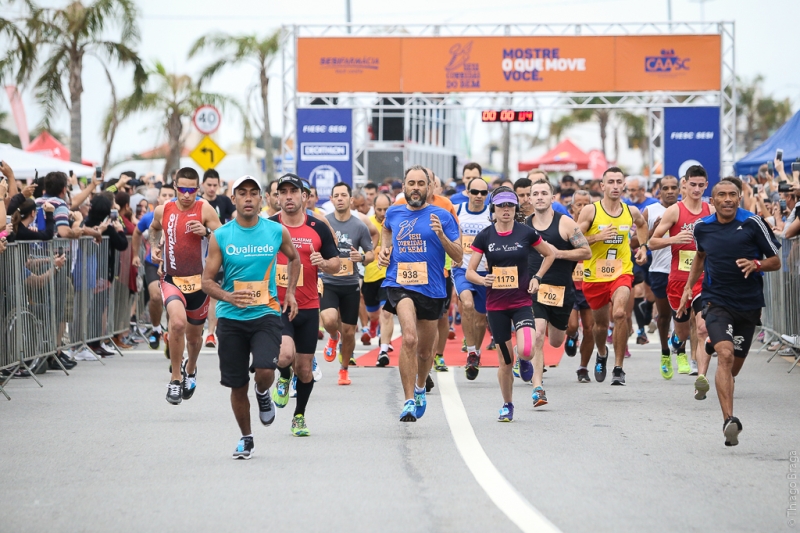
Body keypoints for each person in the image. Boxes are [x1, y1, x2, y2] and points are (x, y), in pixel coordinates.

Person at [202, 176, 300, 459]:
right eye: (242, 193)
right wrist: (228, 296)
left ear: (261, 199)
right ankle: (246, 437)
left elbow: (294, 259)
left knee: (265, 370)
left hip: (265, 313)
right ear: (233, 199)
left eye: (253, 193)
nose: (247, 198)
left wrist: (290, 293)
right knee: (236, 384)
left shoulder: (276, 231)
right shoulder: (220, 236)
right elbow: (207, 281)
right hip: (231, 318)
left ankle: (263, 392)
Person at [679, 177, 780, 446]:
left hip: (748, 305)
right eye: (721, 195)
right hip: (716, 301)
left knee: (733, 368)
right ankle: (729, 421)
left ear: (739, 198)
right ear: (712, 202)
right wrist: (689, 288)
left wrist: (757, 264)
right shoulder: (703, 228)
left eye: (732, 195)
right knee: (725, 356)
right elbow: (700, 256)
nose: (727, 199)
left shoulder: (752, 223)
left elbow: (776, 261)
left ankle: (713, 344)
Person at [379, 165, 461, 422]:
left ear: (430, 188)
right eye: (411, 183)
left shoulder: (443, 216)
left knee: (426, 352)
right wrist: (385, 249)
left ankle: (420, 386)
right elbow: (386, 229)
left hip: (433, 289)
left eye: (420, 183)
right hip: (399, 283)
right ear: (404, 186)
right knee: (410, 338)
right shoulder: (393, 212)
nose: (415, 188)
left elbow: (458, 255)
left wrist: (441, 236)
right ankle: (408, 401)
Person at [466, 187, 554, 421]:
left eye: (510, 206)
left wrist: (537, 278)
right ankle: (507, 404)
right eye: (501, 206)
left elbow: (550, 254)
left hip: (521, 302)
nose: (506, 210)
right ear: (493, 208)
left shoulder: (526, 232)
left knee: (527, 349)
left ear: (515, 209)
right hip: (496, 307)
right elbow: (469, 273)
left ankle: (524, 359)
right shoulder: (485, 236)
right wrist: (483, 279)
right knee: (505, 362)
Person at [269, 174, 340, 436]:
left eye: (293, 192)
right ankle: (283, 375)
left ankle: (299, 416)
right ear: (277, 197)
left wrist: (324, 262)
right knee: (286, 355)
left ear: (304, 196)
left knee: (305, 369)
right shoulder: (268, 226)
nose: (288, 196)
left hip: (309, 305)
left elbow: (337, 262)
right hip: (277, 304)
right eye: (283, 192)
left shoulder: (318, 227)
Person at [149, 167, 222, 405]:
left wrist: (207, 232)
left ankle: (191, 368)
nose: (187, 195)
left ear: (198, 189)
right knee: (177, 324)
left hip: (199, 283)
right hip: (171, 279)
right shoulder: (164, 209)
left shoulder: (205, 209)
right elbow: (154, 229)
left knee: (193, 339)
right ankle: (175, 378)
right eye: (182, 189)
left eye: (192, 190)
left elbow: (225, 238)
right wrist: (153, 247)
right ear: (175, 187)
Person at [577, 167, 649, 386]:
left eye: (619, 181)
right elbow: (574, 239)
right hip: (595, 276)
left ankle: (618, 368)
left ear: (624, 185)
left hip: (622, 272)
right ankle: (601, 353)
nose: (616, 186)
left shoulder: (631, 211)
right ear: (603, 186)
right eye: (611, 182)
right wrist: (597, 236)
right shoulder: (591, 211)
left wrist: (643, 247)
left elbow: (643, 225)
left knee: (619, 314)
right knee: (599, 326)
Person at [525, 178, 591, 406]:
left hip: (561, 291)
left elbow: (586, 252)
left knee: (555, 341)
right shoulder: (524, 226)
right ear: (530, 198)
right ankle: (538, 388)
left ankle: (524, 350)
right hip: (534, 289)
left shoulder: (566, 224)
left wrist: (559, 254)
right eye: (536, 193)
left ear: (552, 198)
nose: (540, 197)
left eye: (545, 193)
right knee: (537, 334)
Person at [650, 168, 712, 385]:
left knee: (703, 326)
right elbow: (652, 242)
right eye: (692, 184)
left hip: (704, 278)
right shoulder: (675, 211)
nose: (696, 189)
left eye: (700, 185)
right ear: (684, 184)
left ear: (706, 185)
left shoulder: (711, 210)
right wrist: (673, 239)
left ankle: (701, 375)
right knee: (683, 331)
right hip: (678, 280)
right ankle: (675, 339)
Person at [319, 182, 374, 386]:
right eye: (336, 195)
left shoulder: (359, 225)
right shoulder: (324, 223)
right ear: (331, 199)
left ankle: (343, 369)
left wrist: (360, 257)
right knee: (329, 319)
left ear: (351, 200)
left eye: (344, 195)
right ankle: (333, 336)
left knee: (350, 332)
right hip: (329, 282)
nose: (340, 198)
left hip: (350, 284)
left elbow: (370, 254)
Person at [640, 175, 681, 376]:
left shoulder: (685, 210)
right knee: (664, 315)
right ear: (659, 191)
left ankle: (681, 350)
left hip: (683, 270)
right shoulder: (650, 210)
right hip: (659, 271)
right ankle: (665, 353)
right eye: (666, 188)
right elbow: (636, 242)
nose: (670, 191)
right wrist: (652, 230)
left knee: (683, 314)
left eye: (674, 187)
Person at [451, 176, 492, 380]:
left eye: (483, 193)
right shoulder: (457, 212)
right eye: (474, 192)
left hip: (485, 271)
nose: (478, 196)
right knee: (466, 304)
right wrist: (451, 257)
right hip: (463, 270)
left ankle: (477, 351)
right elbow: (447, 237)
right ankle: (472, 352)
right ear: (467, 193)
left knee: (481, 317)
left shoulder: (491, 214)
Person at [132, 184, 176, 349]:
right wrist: (136, 255)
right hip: (153, 262)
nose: (166, 198)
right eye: (163, 195)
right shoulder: (150, 217)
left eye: (170, 195)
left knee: (174, 302)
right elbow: (136, 232)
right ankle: (156, 329)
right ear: (158, 198)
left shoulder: (181, 216)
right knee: (156, 297)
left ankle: (172, 335)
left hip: (175, 265)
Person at [201, 169, 236, 350]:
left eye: (216, 185)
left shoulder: (223, 201)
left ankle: (210, 334)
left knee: (213, 294)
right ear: (202, 185)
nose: (213, 188)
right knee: (198, 296)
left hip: (217, 255)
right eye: (209, 185)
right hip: (196, 258)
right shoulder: (197, 202)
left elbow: (235, 217)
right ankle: (195, 330)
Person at [564, 190, 597, 382]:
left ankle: (583, 367)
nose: (583, 208)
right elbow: (571, 243)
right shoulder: (566, 225)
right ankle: (571, 335)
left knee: (591, 328)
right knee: (572, 325)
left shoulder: (597, 227)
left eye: (587, 205)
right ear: (572, 207)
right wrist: (597, 238)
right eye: (579, 205)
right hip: (570, 284)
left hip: (591, 282)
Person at [365, 194, 394, 367]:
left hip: (387, 276)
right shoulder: (367, 223)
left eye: (386, 209)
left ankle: (383, 350)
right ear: (373, 208)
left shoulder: (396, 222)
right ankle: (373, 323)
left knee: (386, 312)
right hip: (370, 276)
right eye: (379, 209)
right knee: (373, 314)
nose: (383, 213)